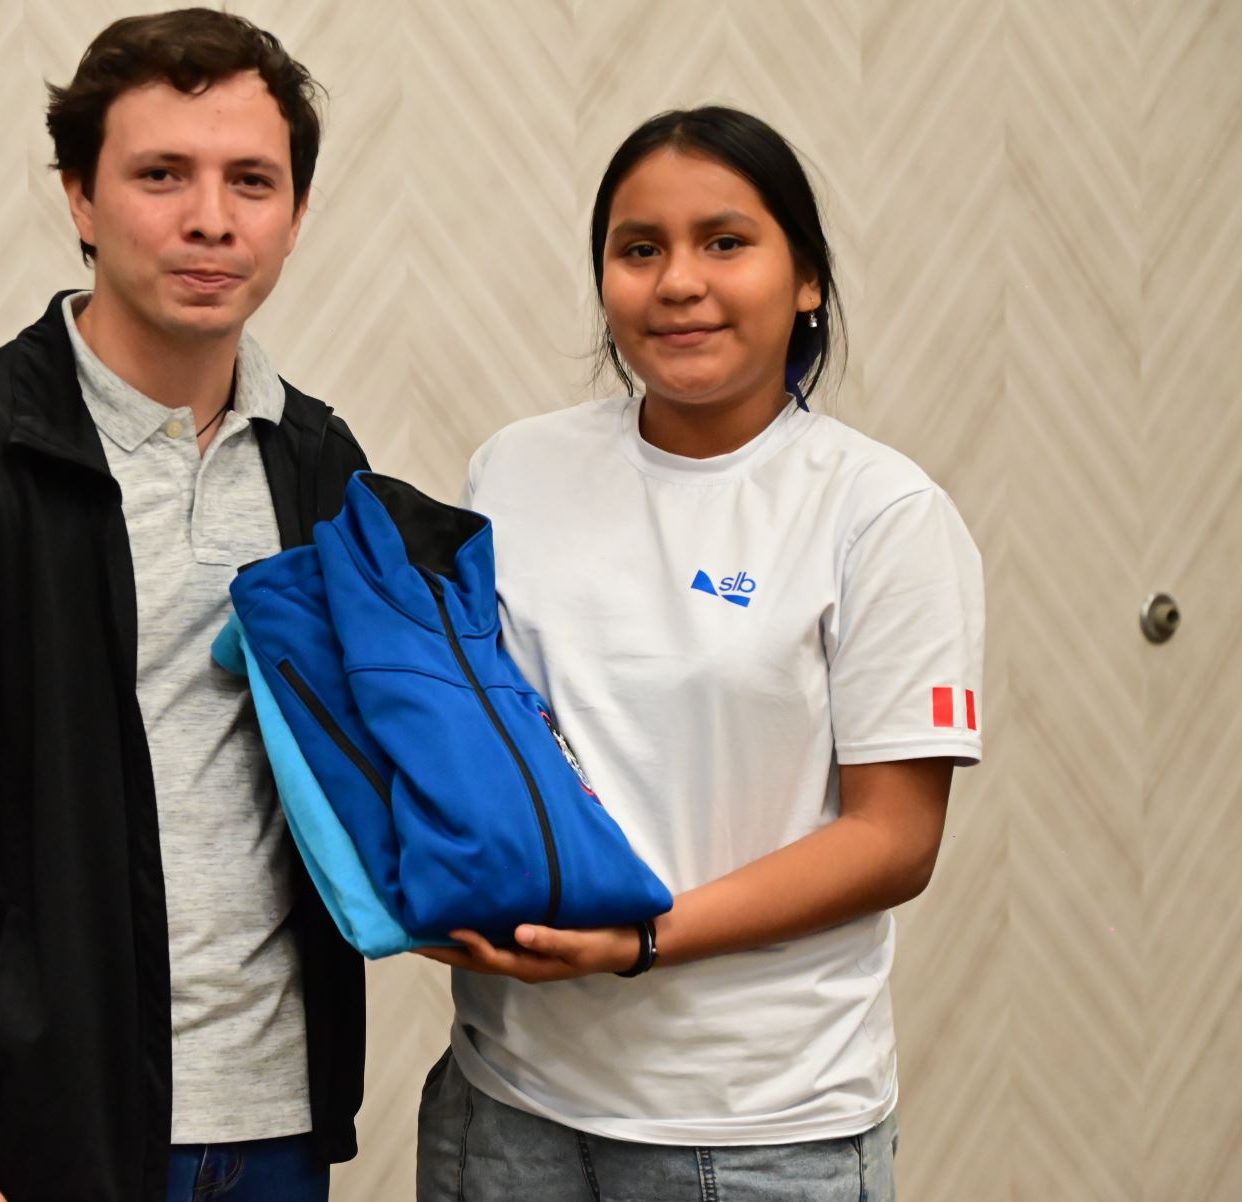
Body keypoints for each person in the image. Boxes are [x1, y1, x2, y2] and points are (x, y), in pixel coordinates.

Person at [0, 11, 368, 1201]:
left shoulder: (319, 462)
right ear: (81, 200)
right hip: (23, 1142)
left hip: (278, 1128)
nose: (212, 218)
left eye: (252, 180)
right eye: (162, 175)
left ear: (297, 215)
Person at [415, 105, 985, 1202]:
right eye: (640, 249)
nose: (678, 282)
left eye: (725, 241)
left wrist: (640, 937)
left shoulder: (881, 511)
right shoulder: (513, 470)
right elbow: (475, 732)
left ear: (807, 279)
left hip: (758, 1127)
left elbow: (895, 838)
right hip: (506, 1101)